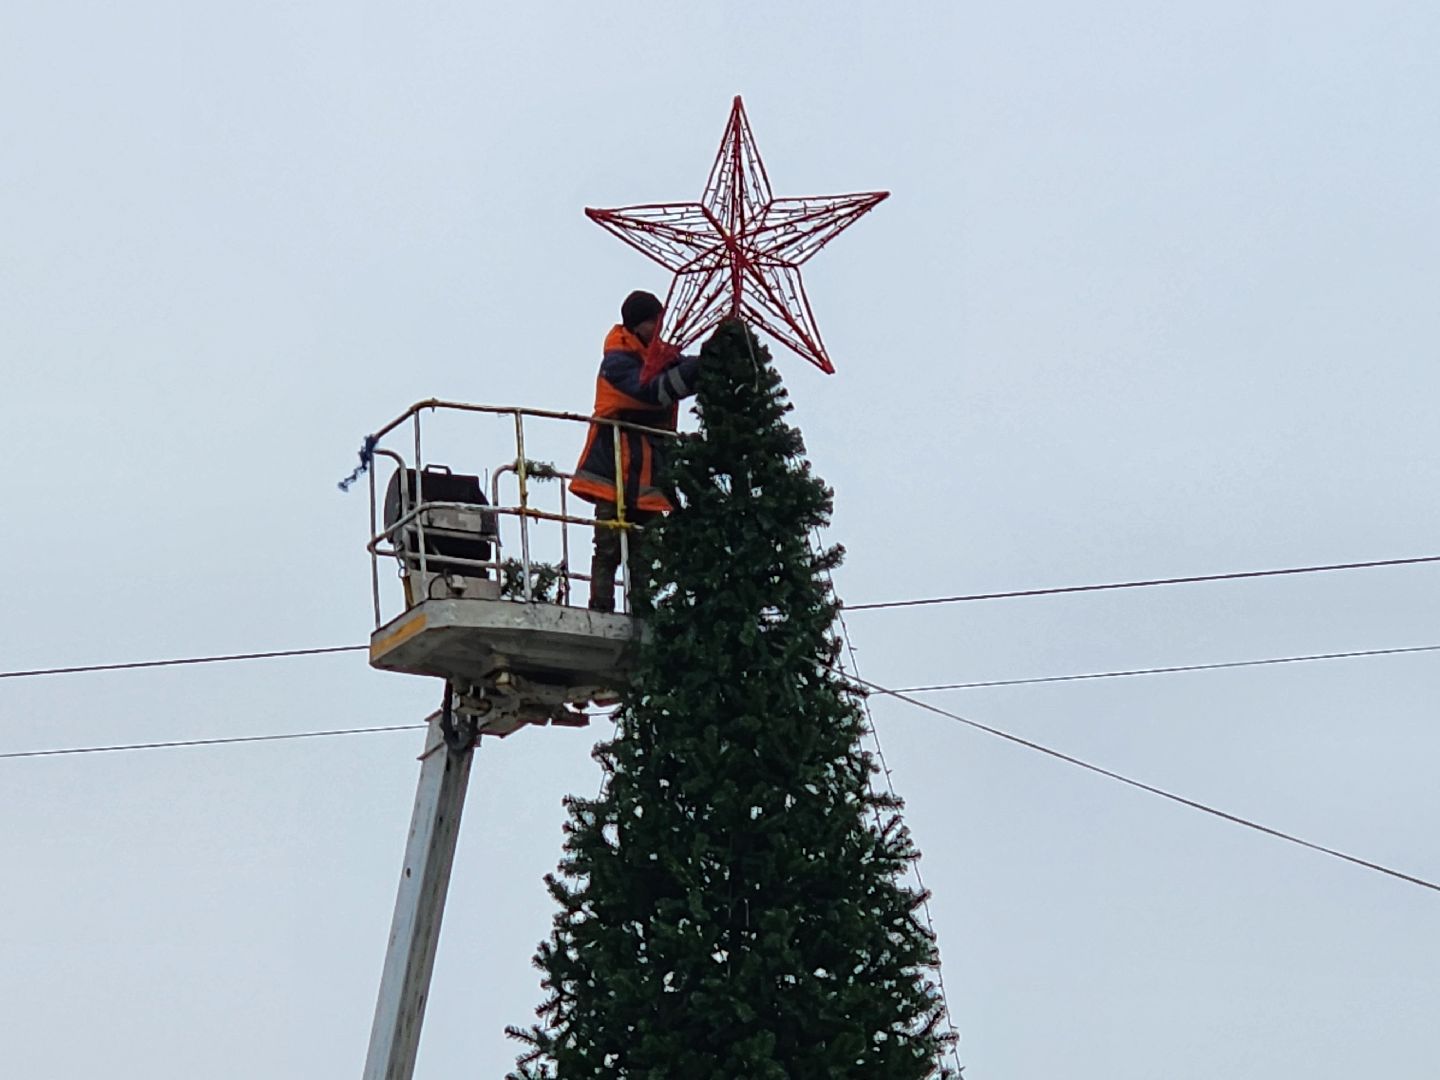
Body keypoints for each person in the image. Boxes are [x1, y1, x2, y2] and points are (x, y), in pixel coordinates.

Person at [570, 290, 701, 612]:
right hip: (613, 471)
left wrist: (708, 361)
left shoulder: (654, 357)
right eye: (654, 321)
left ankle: (641, 607)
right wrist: (695, 369)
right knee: (608, 547)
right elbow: (649, 392)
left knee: (645, 551)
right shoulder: (617, 363)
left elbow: (678, 371)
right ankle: (601, 606)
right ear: (639, 324)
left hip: (646, 474)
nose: (659, 327)